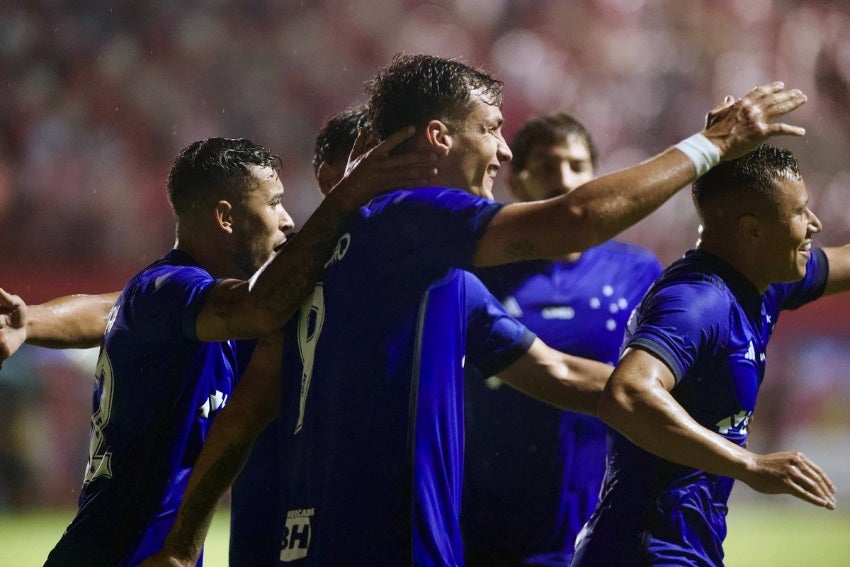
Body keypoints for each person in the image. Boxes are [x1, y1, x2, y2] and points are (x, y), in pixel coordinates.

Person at [143, 53, 812, 566]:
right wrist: (712, 146)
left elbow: (556, 374)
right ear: (438, 137)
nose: (505, 149)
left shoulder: (363, 257)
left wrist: (675, 418)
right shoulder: (408, 217)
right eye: (491, 129)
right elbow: (574, 219)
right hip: (392, 545)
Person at [0, 130, 438, 566]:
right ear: (226, 217)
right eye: (273, 203)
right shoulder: (173, 291)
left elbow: (107, 308)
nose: (287, 219)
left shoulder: (164, 300)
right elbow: (261, 305)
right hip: (121, 553)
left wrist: (30, 321)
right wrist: (346, 198)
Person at [570, 144, 843, 566]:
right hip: (645, 551)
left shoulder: (762, 283)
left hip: (681, 549)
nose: (815, 224)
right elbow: (627, 393)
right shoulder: (698, 301)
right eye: (799, 212)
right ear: (752, 230)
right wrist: (748, 464)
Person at [461, 113, 663, 566]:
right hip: (489, 519)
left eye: (577, 166)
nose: (564, 180)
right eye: (549, 166)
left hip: (605, 512)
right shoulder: (477, 272)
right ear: (517, 180)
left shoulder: (637, 271)